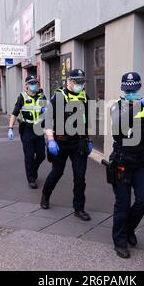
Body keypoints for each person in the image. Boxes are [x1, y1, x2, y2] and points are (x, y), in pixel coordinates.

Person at [109, 72, 144, 259]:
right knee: (123, 204)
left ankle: (128, 228)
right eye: (128, 89)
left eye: (134, 89)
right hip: (122, 162)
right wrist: (139, 104)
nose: (131, 92)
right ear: (123, 89)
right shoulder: (117, 107)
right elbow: (118, 131)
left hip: (141, 163)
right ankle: (120, 240)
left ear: (139, 88)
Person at [41, 69, 93, 221]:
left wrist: (88, 140)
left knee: (80, 177)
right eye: (77, 82)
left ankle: (79, 208)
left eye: (82, 82)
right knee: (57, 172)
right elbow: (48, 121)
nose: (80, 85)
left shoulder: (85, 97)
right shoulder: (58, 97)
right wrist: (50, 140)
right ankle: (45, 195)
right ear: (69, 81)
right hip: (61, 142)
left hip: (79, 143)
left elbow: (86, 122)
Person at [8, 76, 47, 189]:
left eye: (36, 83)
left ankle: (33, 170)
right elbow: (14, 113)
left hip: (39, 128)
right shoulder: (22, 97)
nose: (35, 85)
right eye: (32, 83)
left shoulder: (42, 96)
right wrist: (10, 128)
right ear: (26, 85)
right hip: (27, 129)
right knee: (29, 155)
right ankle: (31, 179)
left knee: (41, 155)